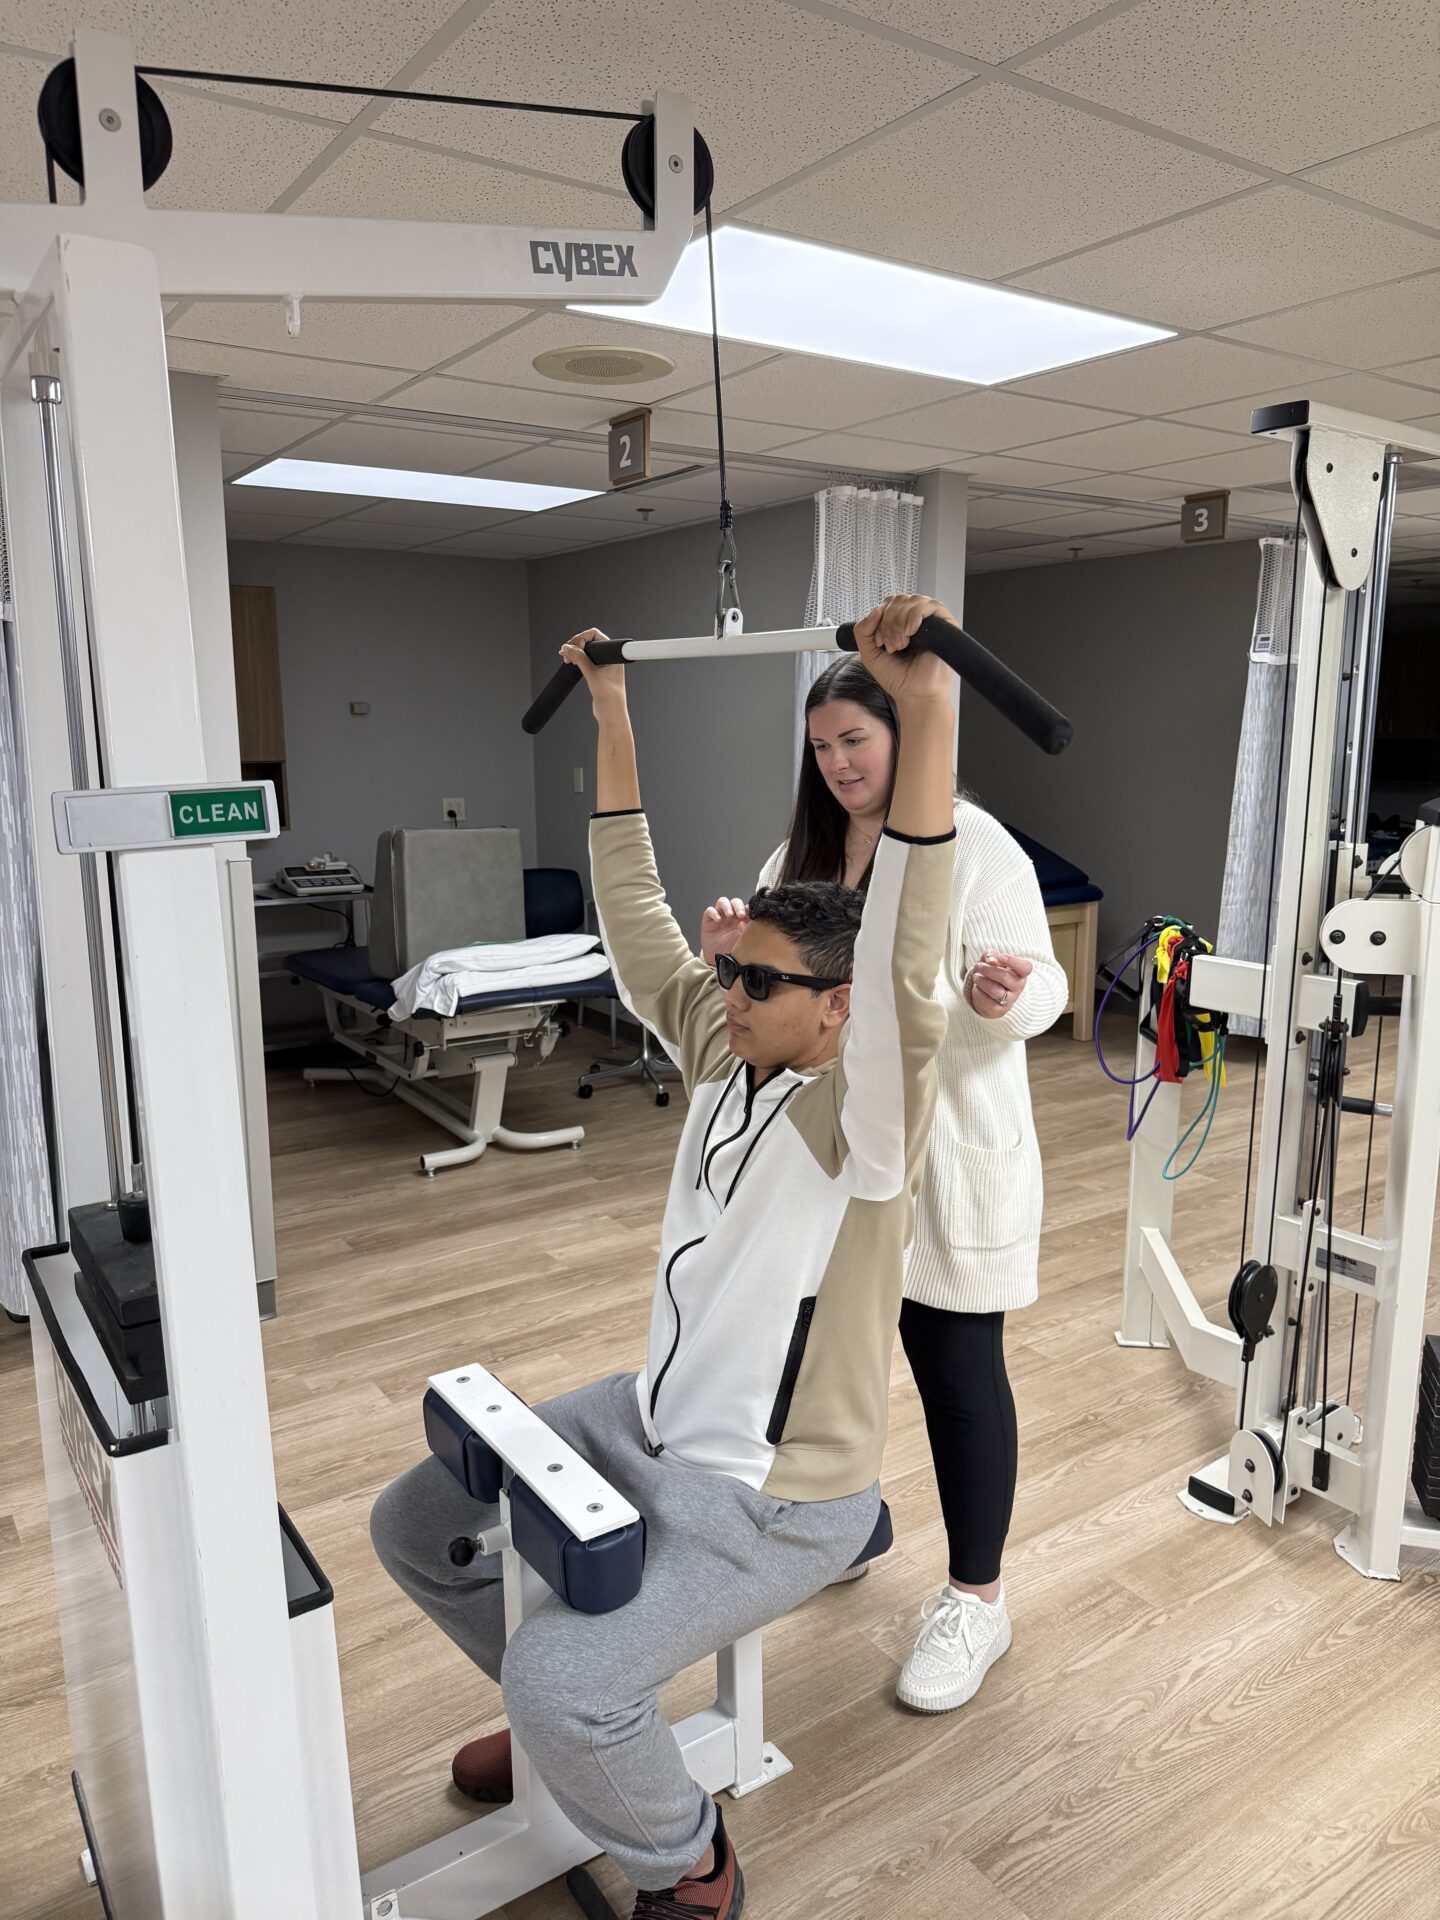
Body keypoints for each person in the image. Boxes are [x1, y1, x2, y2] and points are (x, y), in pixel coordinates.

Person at [370, 601, 958, 1917]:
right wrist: (615, 712)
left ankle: (681, 1852)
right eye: (732, 970)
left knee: (561, 1679)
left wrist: (928, 703)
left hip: (772, 1500)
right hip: (650, 1422)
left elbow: (911, 957)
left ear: (837, 1010)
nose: (722, 987)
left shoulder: (861, 1125)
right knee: (413, 1523)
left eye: (756, 979)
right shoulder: (726, 1048)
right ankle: (590, 1742)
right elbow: (632, 905)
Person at [700, 596, 1066, 1715]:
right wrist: (730, 955)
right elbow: (772, 996)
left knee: (955, 1375)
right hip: (829, 1162)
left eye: (857, 739)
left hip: (945, 1152)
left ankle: (978, 1601)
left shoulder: (978, 843)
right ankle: (844, 1520)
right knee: (815, 1358)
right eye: (824, 747)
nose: (841, 762)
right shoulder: (798, 853)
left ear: (904, 735)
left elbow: (1042, 987)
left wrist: (1006, 994)